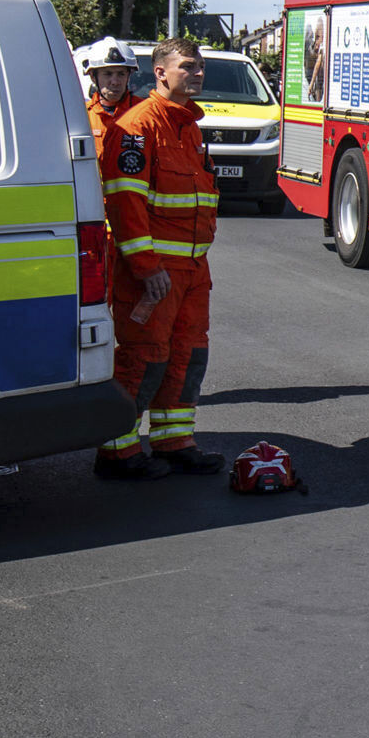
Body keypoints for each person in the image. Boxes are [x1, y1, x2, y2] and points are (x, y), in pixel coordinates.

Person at [96, 38, 224, 479]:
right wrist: (147, 268)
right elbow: (125, 206)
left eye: (200, 66)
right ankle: (117, 450)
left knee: (187, 354)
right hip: (152, 273)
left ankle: (173, 440)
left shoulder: (187, 126)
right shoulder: (136, 128)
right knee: (144, 356)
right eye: (188, 66)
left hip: (191, 271)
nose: (198, 73)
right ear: (161, 73)